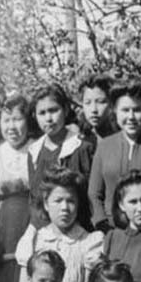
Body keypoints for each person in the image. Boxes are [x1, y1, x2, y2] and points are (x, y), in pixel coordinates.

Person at [16, 166, 103, 282]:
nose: (65, 208)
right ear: (46, 203)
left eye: (71, 201)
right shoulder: (34, 239)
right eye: (58, 200)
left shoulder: (89, 242)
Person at [89, 83, 141, 231]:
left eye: (137, 110)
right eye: (125, 110)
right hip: (111, 231)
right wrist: (103, 226)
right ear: (115, 111)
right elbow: (94, 194)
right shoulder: (104, 146)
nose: (131, 117)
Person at [27, 85, 95, 227]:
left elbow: (90, 195)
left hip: (78, 227)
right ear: (35, 115)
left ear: (65, 109)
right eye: (42, 113)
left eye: (53, 110)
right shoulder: (34, 152)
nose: (48, 118)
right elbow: (34, 199)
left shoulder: (81, 146)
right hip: (44, 230)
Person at [0, 94, 34, 282]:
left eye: (17, 119)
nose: (12, 126)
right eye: (6, 120)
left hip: (31, 229)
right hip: (3, 235)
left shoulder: (38, 150)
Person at [77, 74, 115, 144]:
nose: (94, 109)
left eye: (100, 102)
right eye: (87, 103)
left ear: (111, 104)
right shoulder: (78, 141)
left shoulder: (123, 138)